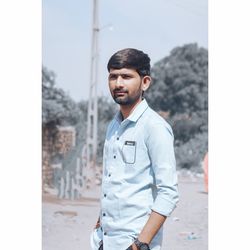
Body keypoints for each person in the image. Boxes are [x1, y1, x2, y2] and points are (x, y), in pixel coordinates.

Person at [91, 48, 179, 250]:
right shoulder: (113, 126)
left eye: (127, 76)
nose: (118, 83)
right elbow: (113, 181)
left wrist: (141, 243)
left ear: (145, 82)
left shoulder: (154, 127)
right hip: (104, 240)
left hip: (134, 242)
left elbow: (169, 192)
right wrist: (100, 226)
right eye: (113, 77)